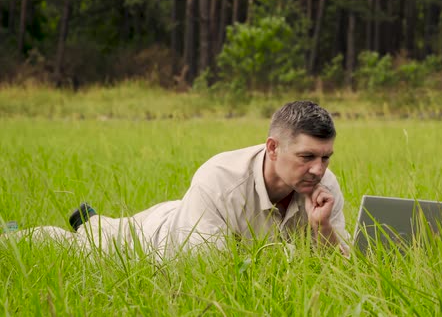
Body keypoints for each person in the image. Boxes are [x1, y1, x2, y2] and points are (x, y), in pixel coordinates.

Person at [5, 101, 349, 257]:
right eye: (307, 157)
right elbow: (207, 267)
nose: (318, 169)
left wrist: (324, 231)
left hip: (189, 213)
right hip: (163, 238)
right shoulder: (219, 177)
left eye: (325, 157)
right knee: (88, 246)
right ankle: (13, 235)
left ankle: (94, 221)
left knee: (105, 228)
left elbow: (347, 266)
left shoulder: (324, 188)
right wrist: (294, 256)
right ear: (273, 148)